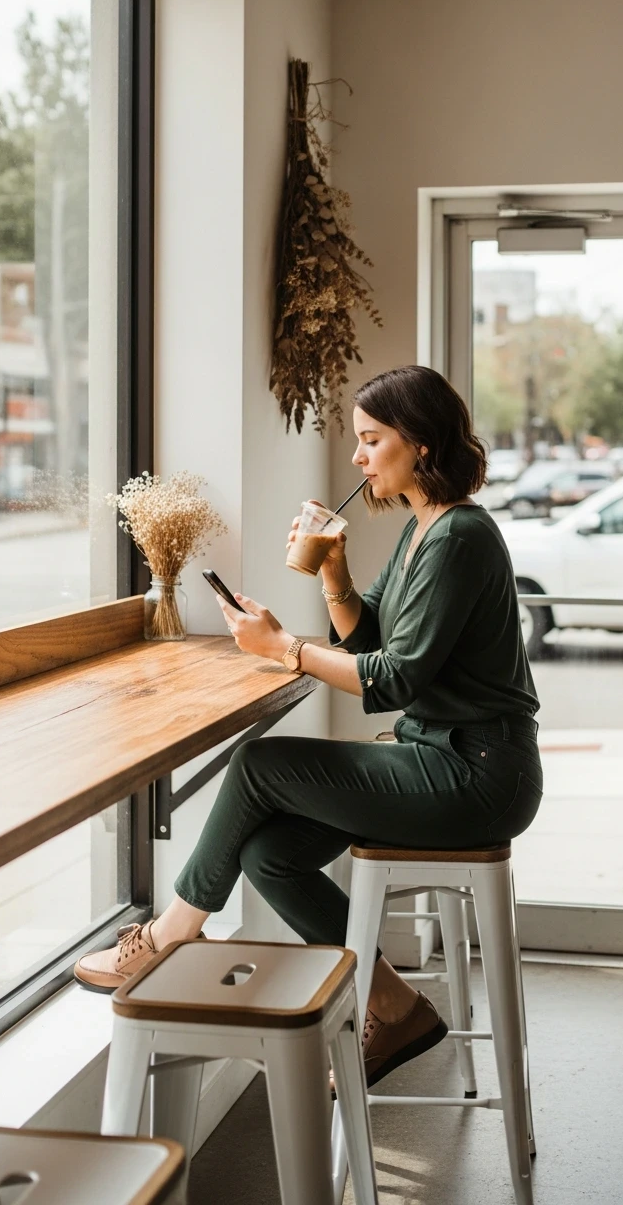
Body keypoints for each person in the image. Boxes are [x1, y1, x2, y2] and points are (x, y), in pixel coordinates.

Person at [75, 365, 543, 1088]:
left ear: (419, 445)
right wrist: (333, 569)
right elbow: (368, 640)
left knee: (262, 767)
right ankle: (393, 1002)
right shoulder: (426, 532)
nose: (357, 458)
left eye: (370, 440)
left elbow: (391, 680)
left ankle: (169, 935)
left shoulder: (458, 538)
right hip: (443, 758)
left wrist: (285, 649)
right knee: (271, 855)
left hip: (476, 773)